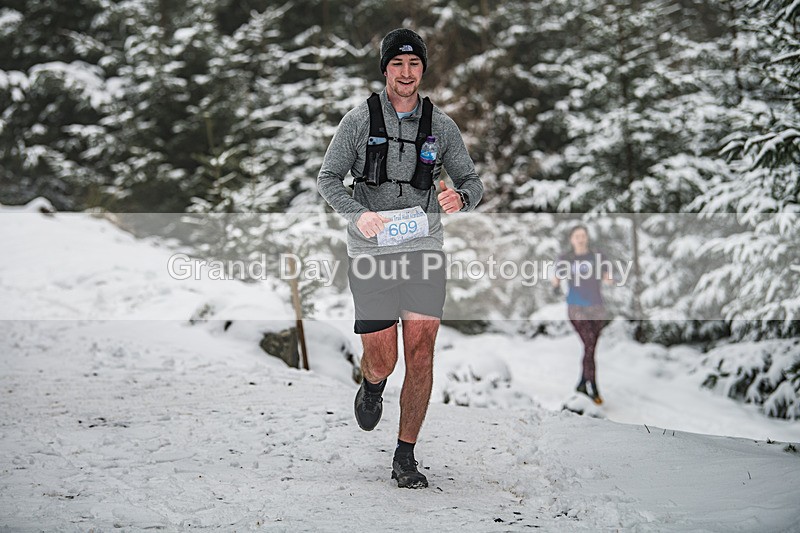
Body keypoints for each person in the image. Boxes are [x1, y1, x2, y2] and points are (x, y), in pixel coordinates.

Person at [317, 28, 483, 489]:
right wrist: (359, 214)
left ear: (422, 71)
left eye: (414, 65)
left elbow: (472, 181)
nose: (406, 73)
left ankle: (405, 455)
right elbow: (328, 179)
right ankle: (372, 385)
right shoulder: (359, 120)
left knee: (422, 351)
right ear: (386, 70)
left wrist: (461, 199)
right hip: (372, 251)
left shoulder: (441, 125)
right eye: (397, 65)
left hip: (424, 248)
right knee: (384, 359)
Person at [552, 225, 612, 405]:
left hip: (596, 307)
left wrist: (610, 279)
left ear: (587, 237)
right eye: (576, 235)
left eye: (583, 235)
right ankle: (593, 387)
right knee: (589, 345)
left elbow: (607, 275)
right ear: (571, 239)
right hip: (576, 307)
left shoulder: (597, 256)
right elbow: (557, 276)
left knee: (590, 348)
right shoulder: (566, 258)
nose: (580, 238)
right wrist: (555, 285)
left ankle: (581, 383)